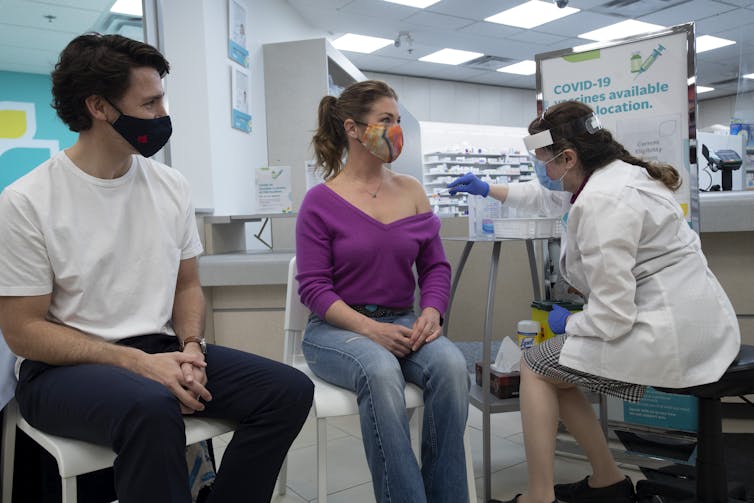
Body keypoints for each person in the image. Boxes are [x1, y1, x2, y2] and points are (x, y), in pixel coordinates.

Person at [0, 33, 313, 503]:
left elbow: (187, 287)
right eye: (150, 103)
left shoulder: (170, 186)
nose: (163, 114)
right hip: (61, 370)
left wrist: (190, 347)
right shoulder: (27, 200)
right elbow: (22, 331)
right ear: (99, 107)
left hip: (160, 348)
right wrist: (137, 364)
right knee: (151, 407)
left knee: (287, 391)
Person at [447, 100, 741, 503]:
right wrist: (488, 189)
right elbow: (547, 198)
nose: (542, 170)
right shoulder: (615, 177)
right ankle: (607, 481)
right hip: (694, 321)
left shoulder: (604, 201)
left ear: (568, 157)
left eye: (544, 161)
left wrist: (572, 324)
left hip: (668, 333)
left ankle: (539, 496)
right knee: (561, 370)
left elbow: (613, 316)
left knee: (535, 364)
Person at [296, 80, 471, 503]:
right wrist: (370, 330)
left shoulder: (411, 190)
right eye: (386, 121)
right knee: (378, 368)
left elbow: (434, 266)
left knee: (451, 365)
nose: (396, 130)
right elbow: (314, 288)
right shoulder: (320, 201)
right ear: (353, 129)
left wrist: (433, 311)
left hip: (402, 320)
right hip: (336, 330)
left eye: (398, 120)